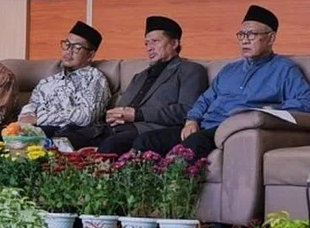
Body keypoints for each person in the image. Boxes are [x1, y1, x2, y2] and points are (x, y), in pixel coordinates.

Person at [133, 5, 310, 159]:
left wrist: (269, 110)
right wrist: (191, 120)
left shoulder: (284, 69)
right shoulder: (230, 69)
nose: (245, 41)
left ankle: (174, 192)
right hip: (204, 126)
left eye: (252, 35)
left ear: (271, 38)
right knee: (147, 141)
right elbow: (205, 99)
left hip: (229, 130)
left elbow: (308, 103)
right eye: (241, 35)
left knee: (192, 145)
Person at [58, 16, 207, 154]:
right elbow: (123, 109)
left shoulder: (190, 70)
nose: (149, 47)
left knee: (110, 145)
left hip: (148, 131)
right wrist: (113, 115)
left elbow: (187, 110)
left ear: (174, 43)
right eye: (146, 43)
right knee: (64, 139)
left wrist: (138, 114)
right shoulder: (140, 76)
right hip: (112, 128)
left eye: (155, 41)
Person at [18, 21, 110, 137]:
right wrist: (25, 119)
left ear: (90, 55)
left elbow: (86, 117)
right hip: (35, 131)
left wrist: (39, 119)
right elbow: (30, 108)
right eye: (67, 44)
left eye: (77, 47)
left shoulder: (95, 79)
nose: (68, 51)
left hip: (72, 134)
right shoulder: (46, 83)